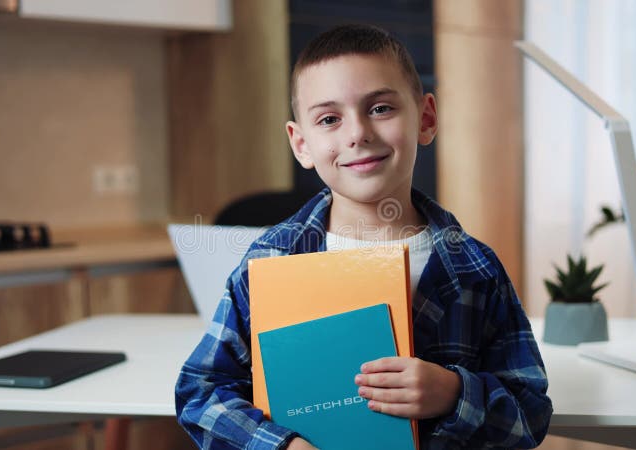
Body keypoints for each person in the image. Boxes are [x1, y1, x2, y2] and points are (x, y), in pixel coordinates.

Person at [175, 24, 552, 450]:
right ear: (301, 144)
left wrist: (453, 394)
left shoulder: (475, 268)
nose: (357, 133)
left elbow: (530, 413)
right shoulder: (270, 260)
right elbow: (201, 391)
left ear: (425, 119)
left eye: (380, 109)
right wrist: (281, 447)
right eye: (329, 119)